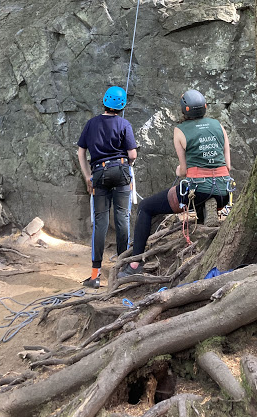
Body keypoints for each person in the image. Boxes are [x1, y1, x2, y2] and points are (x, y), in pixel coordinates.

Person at [118, 89, 232, 278]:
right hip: (223, 190)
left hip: (197, 188)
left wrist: (178, 170)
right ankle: (208, 208)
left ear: (183, 110)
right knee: (205, 195)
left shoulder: (180, 131)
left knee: (146, 207)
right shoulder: (218, 125)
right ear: (205, 107)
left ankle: (136, 263)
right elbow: (227, 165)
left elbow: (184, 171)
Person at [77, 86, 138, 288]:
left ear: (104, 101)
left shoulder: (91, 124)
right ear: (121, 106)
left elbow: (81, 152)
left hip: (99, 174)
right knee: (123, 218)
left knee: (100, 222)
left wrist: (88, 177)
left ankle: (95, 275)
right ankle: (122, 269)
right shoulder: (124, 124)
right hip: (120, 172)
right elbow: (132, 155)